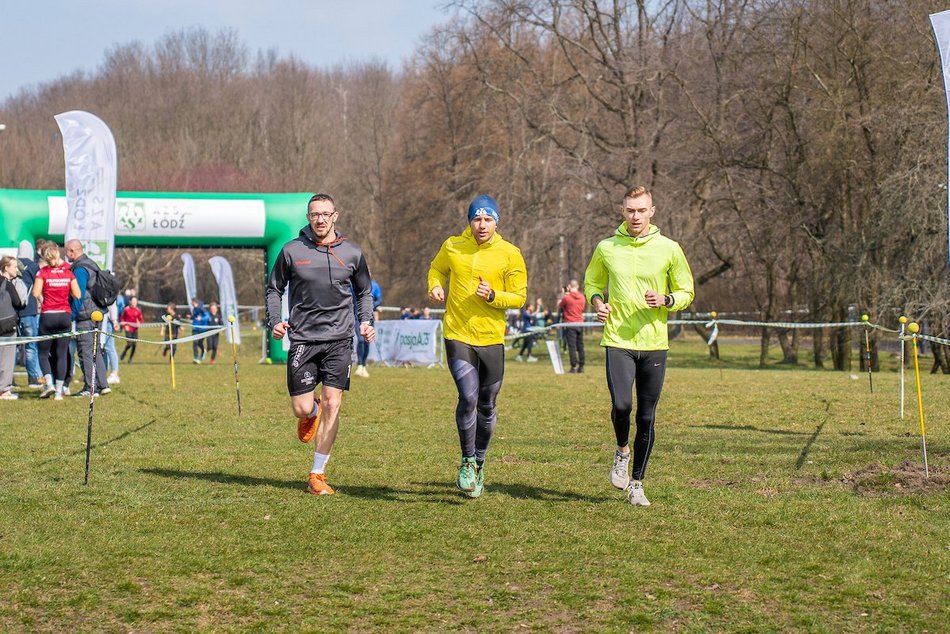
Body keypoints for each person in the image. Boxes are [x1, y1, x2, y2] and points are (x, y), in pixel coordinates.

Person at [584, 185, 694, 506]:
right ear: (623, 211)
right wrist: (596, 301)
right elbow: (592, 281)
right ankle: (621, 450)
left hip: (654, 343)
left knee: (646, 417)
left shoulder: (669, 249)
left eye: (641, 210)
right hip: (618, 339)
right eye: (630, 210)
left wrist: (667, 299)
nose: (636, 216)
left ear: (652, 212)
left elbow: (687, 290)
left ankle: (637, 482)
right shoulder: (606, 247)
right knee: (621, 406)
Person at [265, 192, 377, 496]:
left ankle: (317, 473)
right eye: (315, 214)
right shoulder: (291, 251)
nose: (320, 220)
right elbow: (274, 290)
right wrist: (275, 320)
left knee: (333, 402)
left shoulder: (351, 253)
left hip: (340, 339)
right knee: (302, 408)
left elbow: (365, 292)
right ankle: (310, 413)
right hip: (303, 338)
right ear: (308, 217)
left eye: (326, 214)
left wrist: (366, 321)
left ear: (335, 216)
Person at [427, 194, 527, 499]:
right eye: (476, 219)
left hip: (491, 339)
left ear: (497, 221)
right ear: (469, 221)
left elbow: (519, 297)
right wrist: (434, 285)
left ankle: (480, 463)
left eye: (488, 219)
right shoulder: (453, 246)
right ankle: (467, 462)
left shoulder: (510, 254)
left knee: (487, 403)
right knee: (467, 396)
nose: (482, 225)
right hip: (458, 334)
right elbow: (436, 269)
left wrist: (494, 295)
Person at [32, 242, 81, 400]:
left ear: (46, 258)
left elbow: (35, 293)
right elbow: (78, 294)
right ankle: (59, 392)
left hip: (48, 315)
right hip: (64, 316)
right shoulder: (68, 272)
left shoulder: (43, 272)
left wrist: (43, 298)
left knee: (43, 353)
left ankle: (49, 384)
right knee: (61, 354)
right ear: (58, 256)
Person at [64, 239, 110, 397]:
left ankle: (91, 387)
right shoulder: (91, 263)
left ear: (72, 251)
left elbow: (79, 295)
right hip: (96, 312)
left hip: (85, 315)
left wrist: (72, 316)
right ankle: (103, 385)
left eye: (66, 252)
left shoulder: (80, 269)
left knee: (85, 352)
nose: (66, 255)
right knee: (95, 349)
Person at [0, 256, 29, 400]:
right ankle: (4, 390)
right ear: (6, 268)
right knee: (7, 357)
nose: (16, 270)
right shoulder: (8, 284)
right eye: (13, 267)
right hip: (6, 326)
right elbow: (18, 303)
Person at [16, 242, 43, 388]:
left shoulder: (11, 263)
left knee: (11, 346)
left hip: (13, 312)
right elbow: (39, 287)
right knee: (31, 346)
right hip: (29, 310)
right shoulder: (33, 267)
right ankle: (33, 377)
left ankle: (8, 378)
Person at [557, 280, 587, 373]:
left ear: (570, 286)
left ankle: (573, 366)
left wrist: (563, 295)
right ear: (577, 286)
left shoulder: (567, 298)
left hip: (570, 323)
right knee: (580, 345)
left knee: (572, 346)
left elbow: (559, 306)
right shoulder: (582, 297)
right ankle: (581, 366)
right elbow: (582, 309)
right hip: (580, 323)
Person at [119, 296, 144, 363]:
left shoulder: (138, 310)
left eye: (135, 302)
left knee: (134, 345)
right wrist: (125, 325)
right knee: (129, 344)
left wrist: (139, 322)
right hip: (128, 329)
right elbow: (122, 318)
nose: (134, 303)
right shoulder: (126, 309)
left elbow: (141, 320)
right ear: (130, 302)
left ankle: (130, 358)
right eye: (133, 301)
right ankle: (124, 353)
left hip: (135, 330)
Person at [190, 298, 210, 363]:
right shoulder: (194, 309)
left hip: (202, 329)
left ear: (195, 302)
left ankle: (203, 351)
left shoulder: (201, 308)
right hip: (195, 328)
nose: (191, 304)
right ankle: (196, 358)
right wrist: (191, 317)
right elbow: (195, 317)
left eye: (192, 302)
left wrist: (201, 318)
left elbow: (207, 317)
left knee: (199, 343)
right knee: (195, 343)